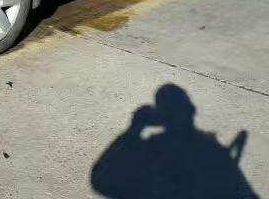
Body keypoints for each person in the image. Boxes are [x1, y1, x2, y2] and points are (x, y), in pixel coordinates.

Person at [91, 83, 259, 199]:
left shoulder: (149, 152)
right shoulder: (212, 153)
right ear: (193, 111)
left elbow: (101, 180)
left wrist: (133, 131)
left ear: (160, 119)